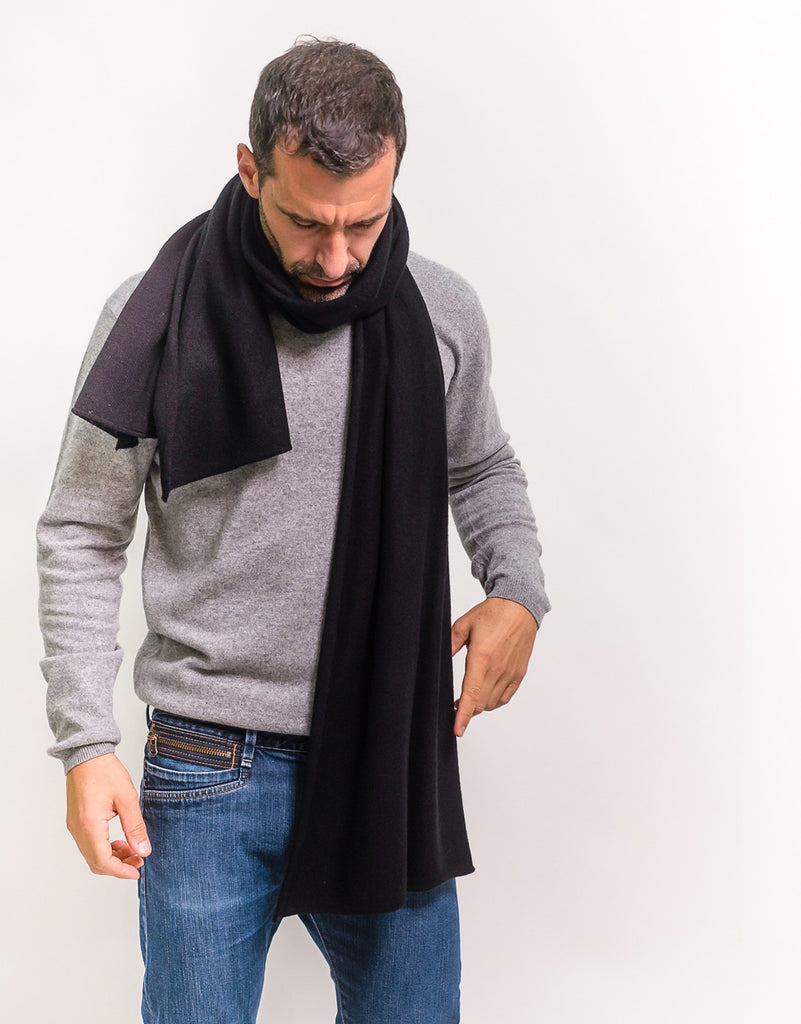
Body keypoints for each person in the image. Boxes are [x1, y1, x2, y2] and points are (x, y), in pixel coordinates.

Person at [37, 37, 550, 1024]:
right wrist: (86, 743)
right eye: (308, 222)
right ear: (251, 170)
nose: (338, 258)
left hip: (389, 752)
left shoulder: (441, 311)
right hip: (205, 766)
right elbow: (82, 531)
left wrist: (517, 590)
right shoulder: (153, 316)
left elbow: (481, 466)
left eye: (365, 222)